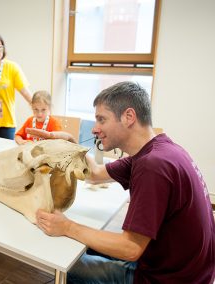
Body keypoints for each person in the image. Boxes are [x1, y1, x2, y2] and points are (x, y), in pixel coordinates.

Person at [34, 82, 215, 283]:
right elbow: (94, 173)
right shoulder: (159, 151)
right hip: (186, 269)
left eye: (101, 119)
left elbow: (130, 249)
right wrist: (71, 143)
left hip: (169, 278)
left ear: (129, 117)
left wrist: (67, 227)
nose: (95, 129)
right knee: (80, 244)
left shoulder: (153, 165)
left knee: (65, 263)